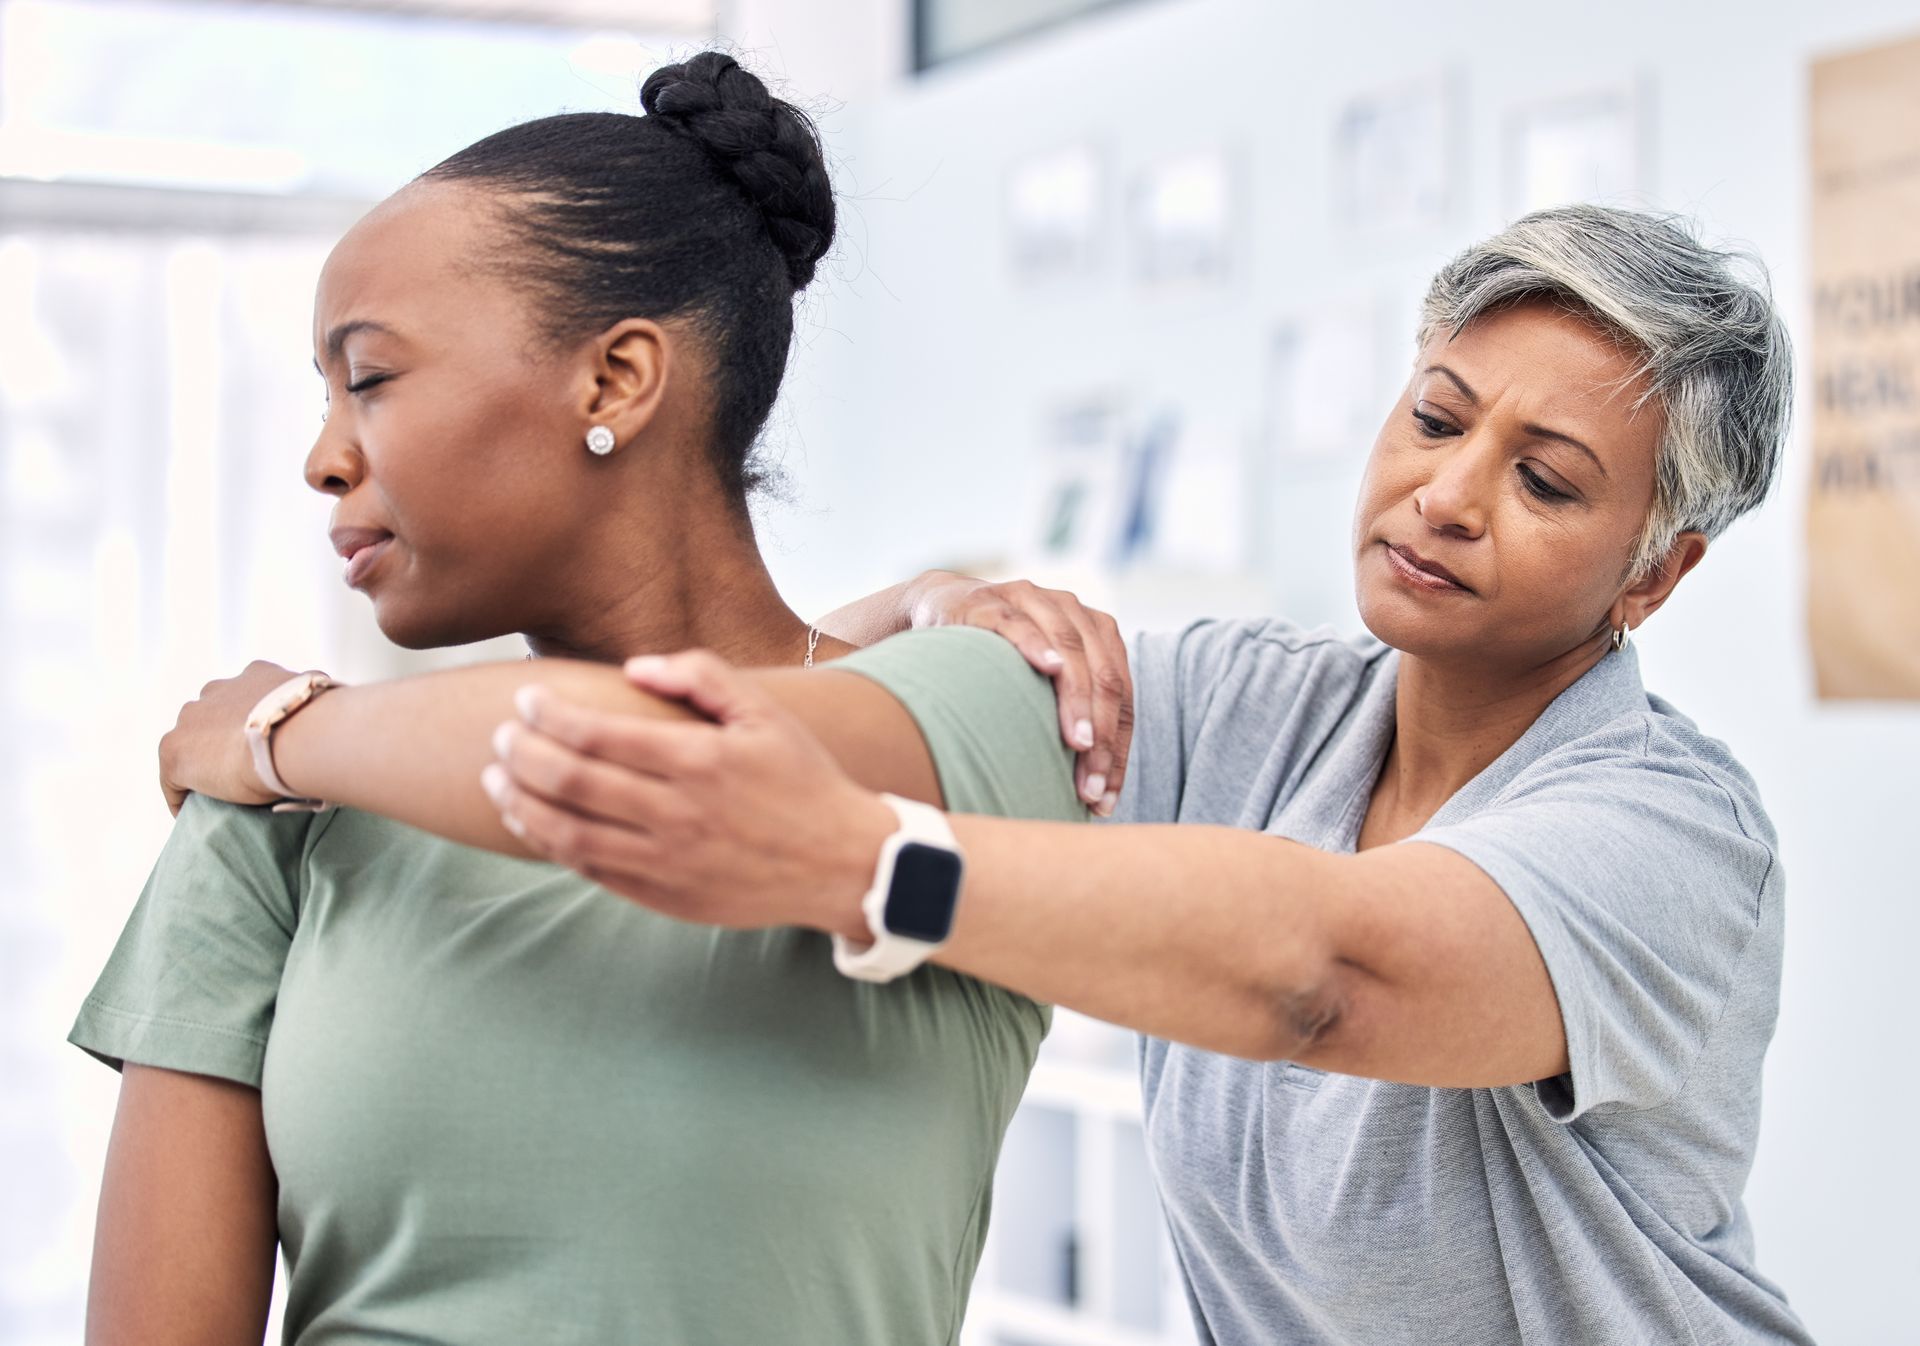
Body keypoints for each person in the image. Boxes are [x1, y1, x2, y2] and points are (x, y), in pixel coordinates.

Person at [163, 204, 1817, 1345]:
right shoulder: (1255, 704)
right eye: (1436, 415)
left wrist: (871, 863)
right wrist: (939, 610)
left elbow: (1330, 970)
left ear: (1652, 577)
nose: (1447, 494)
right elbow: (928, 688)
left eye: (1544, 479)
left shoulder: (1668, 833)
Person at [71, 52, 1092, 1346]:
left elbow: (683, 751)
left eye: (370, 377)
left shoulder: (975, 721)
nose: (324, 457)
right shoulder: (275, 813)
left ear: (613, 382)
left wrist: (288, 725)